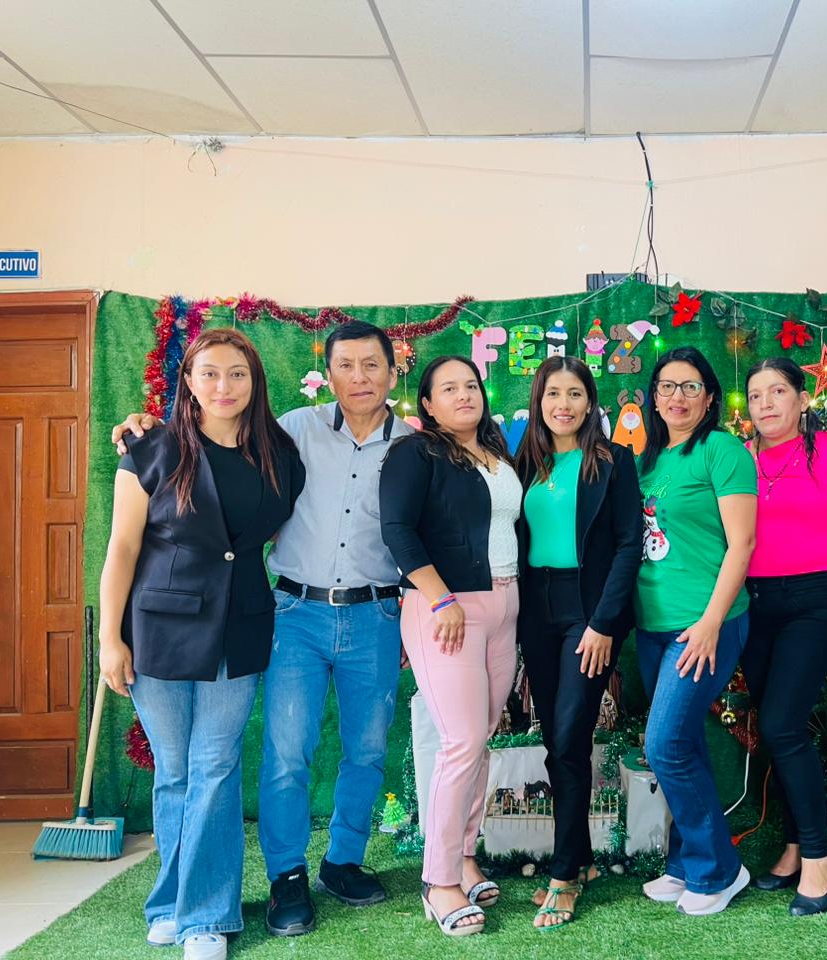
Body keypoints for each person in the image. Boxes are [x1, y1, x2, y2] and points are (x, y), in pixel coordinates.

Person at [111, 320, 412, 938]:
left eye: (372, 365)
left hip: (355, 614)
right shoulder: (291, 431)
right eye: (346, 364)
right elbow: (127, 542)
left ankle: (337, 864)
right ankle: (267, 882)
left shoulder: (404, 446)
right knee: (259, 758)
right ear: (328, 373)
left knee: (353, 751)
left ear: (393, 371)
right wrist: (142, 427)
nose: (359, 377)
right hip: (284, 614)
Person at [98, 329, 303, 960]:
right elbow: (122, 548)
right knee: (175, 771)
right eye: (209, 373)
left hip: (239, 628)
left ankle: (204, 918)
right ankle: (170, 903)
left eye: (237, 373)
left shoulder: (279, 455)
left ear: (254, 381)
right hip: (158, 631)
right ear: (187, 381)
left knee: (215, 768)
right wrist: (109, 639)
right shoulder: (151, 450)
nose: (223, 386)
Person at [380, 355, 521, 937]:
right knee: (460, 741)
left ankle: (464, 856)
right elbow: (397, 529)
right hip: (446, 608)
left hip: (505, 604)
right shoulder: (415, 452)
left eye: (471, 385)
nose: (464, 395)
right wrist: (441, 600)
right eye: (449, 388)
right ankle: (438, 882)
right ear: (429, 404)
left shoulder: (496, 453)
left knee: (480, 738)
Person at [514, 356, 643, 929]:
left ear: (590, 402)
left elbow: (628, 544)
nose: (562, 404)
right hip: (534, 610)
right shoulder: (525, 462)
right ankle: (582, 858)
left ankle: (564, 875)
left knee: (569, 736)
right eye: (552, 394)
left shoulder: (613, 462)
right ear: (538, 402)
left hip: (586, 612)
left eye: (573, 393)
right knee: (555, 739)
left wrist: (603, 623)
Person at [633, 346, 757, 916]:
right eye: (666, 386)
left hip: (706, 623)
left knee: (664, 744)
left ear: (709, 398)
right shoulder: (648, 460)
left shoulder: (722, 451)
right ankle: (685, 863)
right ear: (653, 397)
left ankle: (719, 870)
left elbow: (742, 543)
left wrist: (709, 623)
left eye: (689, 386)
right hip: (651, 626)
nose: (676, 397)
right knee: (681, 743)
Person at [740, 357, 827, 916]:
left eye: (778, 391)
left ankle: (818, 855)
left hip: (815, 598)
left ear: (803, 399)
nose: (765, 403)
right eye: (756, 394)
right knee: (773, 726)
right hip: (754, 602)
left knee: (783, 724)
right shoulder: (738, 459)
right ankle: (791, 844)